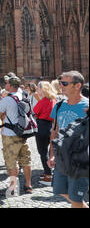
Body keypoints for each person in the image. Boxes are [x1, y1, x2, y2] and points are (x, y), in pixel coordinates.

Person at [48, 71, 89, 208]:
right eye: (60, 83)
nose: (61, 85)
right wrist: (52, 154)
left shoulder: (87, 106)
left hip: (79, 158)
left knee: (75, 198)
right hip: (61, 156)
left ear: (78, 85)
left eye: (65, 83)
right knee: (60, 190)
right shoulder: (59, 105)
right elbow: (55, 131)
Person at [0, 76, 33, 196]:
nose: (5, 85)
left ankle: (12, 189)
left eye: (6, 84)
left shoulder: (7, 99)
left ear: (10, 85)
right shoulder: (23, 95)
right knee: (25, 160)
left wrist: (6, 112)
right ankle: (28, 185)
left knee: (11, 162)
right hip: (23, 133)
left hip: (10, 134)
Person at [33, 81, 56, 186]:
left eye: (38, 88)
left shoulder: (43, 101)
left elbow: (35, 112)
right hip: (51, 126)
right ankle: (49, 173)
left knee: (43, 152)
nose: (37, 90)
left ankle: (48, 175)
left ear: (43, 89)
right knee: (49, 151)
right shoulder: (53, 100)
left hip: (42, 126)